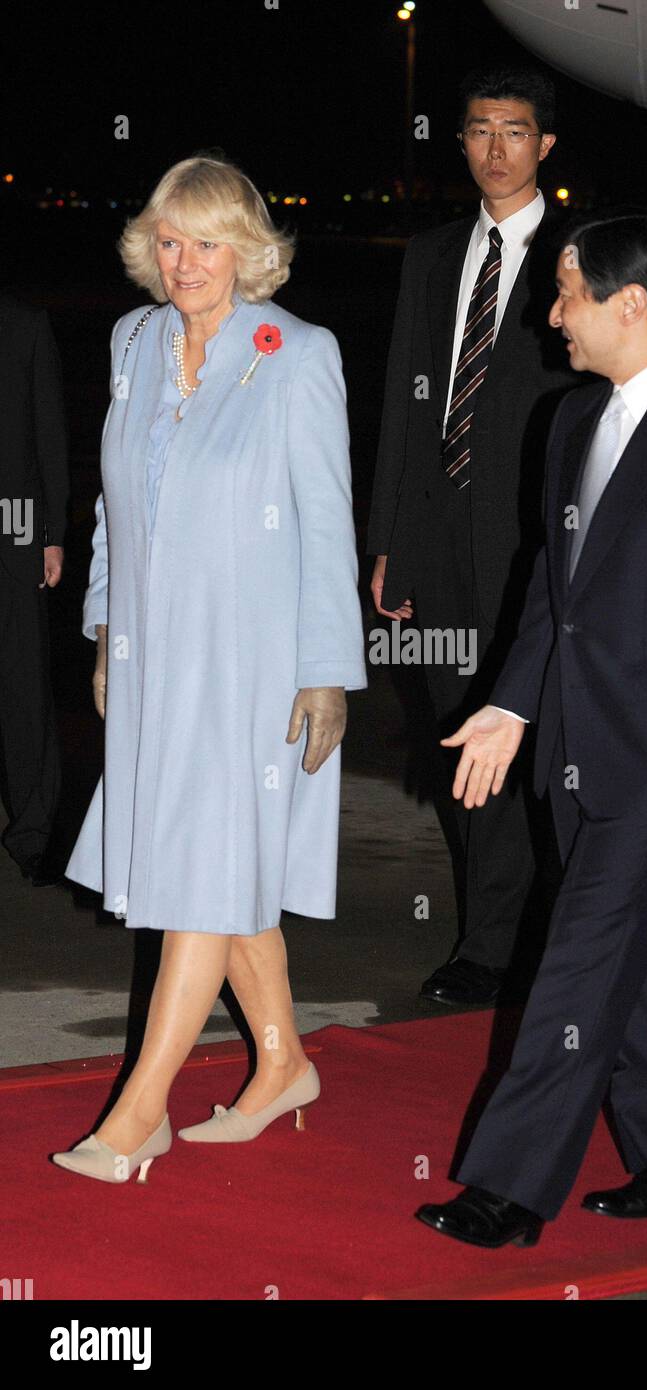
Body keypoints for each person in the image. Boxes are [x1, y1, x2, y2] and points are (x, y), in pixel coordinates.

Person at [416, 209, 647, 1247]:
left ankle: (507, 1189)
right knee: (639, 953)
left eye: (566, 295)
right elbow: (554, 586)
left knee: (574, 960)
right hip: (570, 746)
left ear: (628, 304)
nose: (550, 319)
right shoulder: (568, 423)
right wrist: (508, 703)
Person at [53, 156, 366, 1184]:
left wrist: (326, 667)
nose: (187, 262)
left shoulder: (295, 353)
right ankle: (280, 1063)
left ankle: (138, 1113)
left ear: (249, 248)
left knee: (198, 873)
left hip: (251, 659)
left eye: (209, 241)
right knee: (217, 866)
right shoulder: (133, 341)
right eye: (171, 241)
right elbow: (111, 500)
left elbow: (326, 520)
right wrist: (104, 626)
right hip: (153, 650)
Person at [368, 67, 576, 1007]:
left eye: (515, 131)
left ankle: (561, 938)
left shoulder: (584, 254)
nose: (495, 147)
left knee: (548, 750)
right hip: (440, 542)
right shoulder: (429, 254)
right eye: (479, 130)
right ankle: (489, 944)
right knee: (463, 743)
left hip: (541, 545)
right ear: (460, 142)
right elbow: (403, 412)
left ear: (544, 147)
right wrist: (387, 542)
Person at [0, 294, 69, 885]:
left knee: (21, 683)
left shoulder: (25, 323)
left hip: (13, 532)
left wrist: (51, 535)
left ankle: (32, 831)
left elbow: (49, 429)